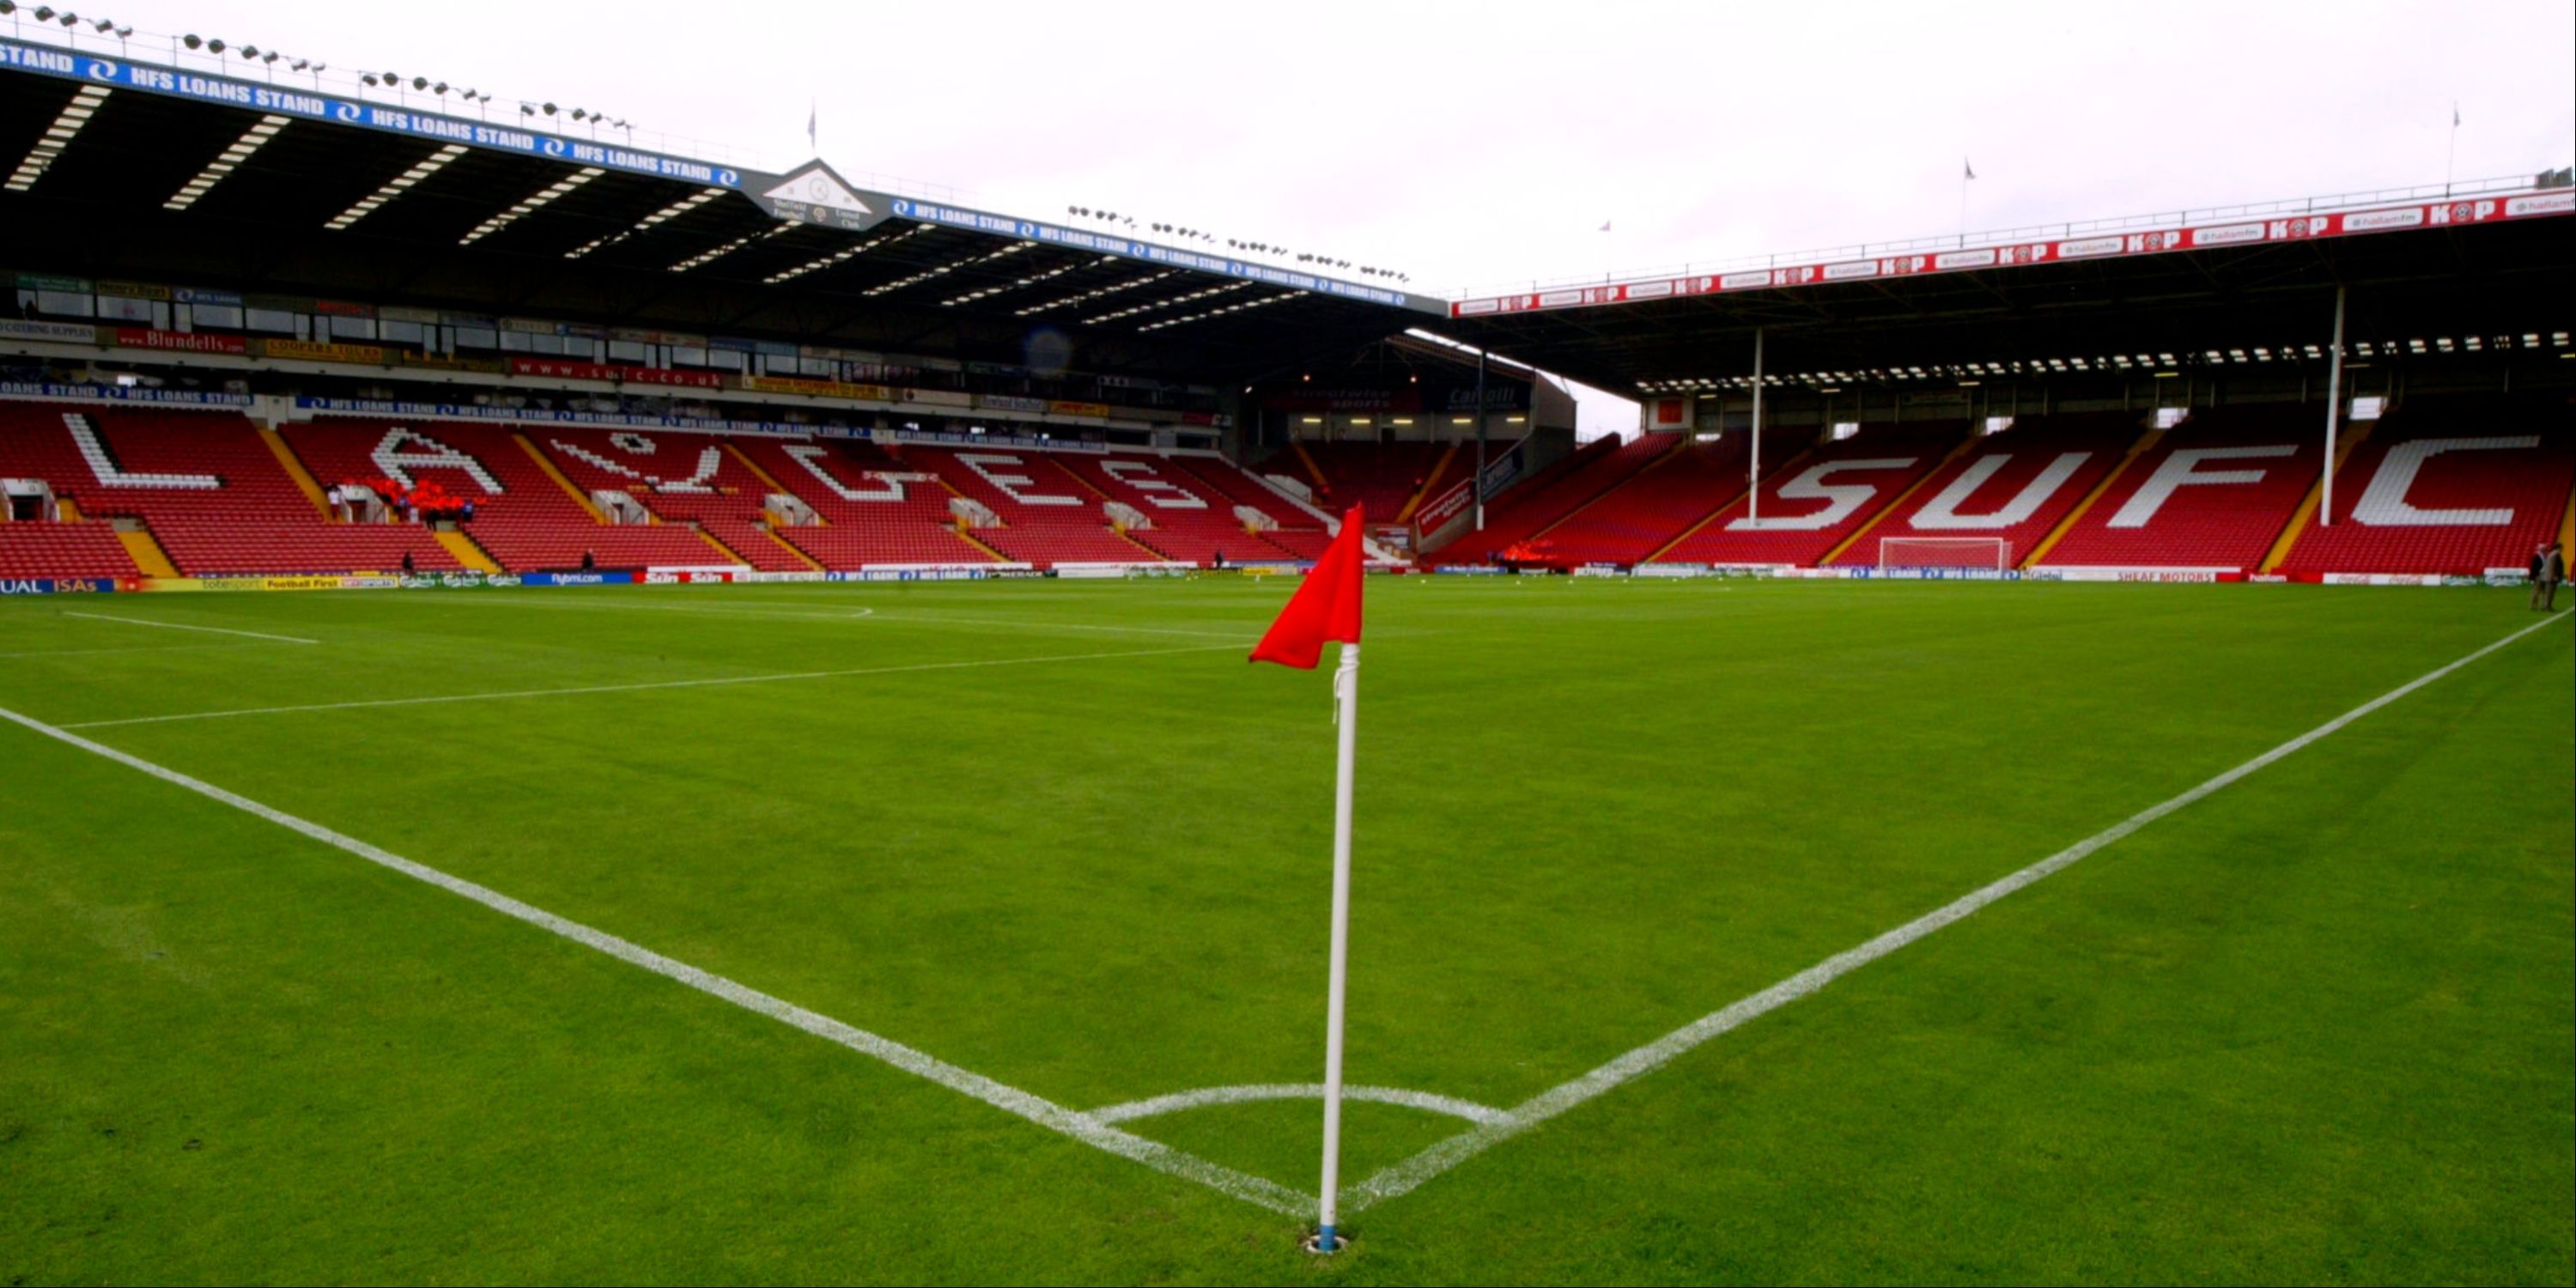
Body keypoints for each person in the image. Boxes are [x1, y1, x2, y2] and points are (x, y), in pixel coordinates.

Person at [2533, 541, 2565, 612]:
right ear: (2559, 547)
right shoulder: (2556, 554)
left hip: (2548, 576)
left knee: (2547, 593)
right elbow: (2555, 566)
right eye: (2562, 548)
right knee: (2549, 593)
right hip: (2551, 577)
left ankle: (2546, 606)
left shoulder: (2551, 554)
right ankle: (2546, 607)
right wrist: (2555, 575)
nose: (2562, 549)